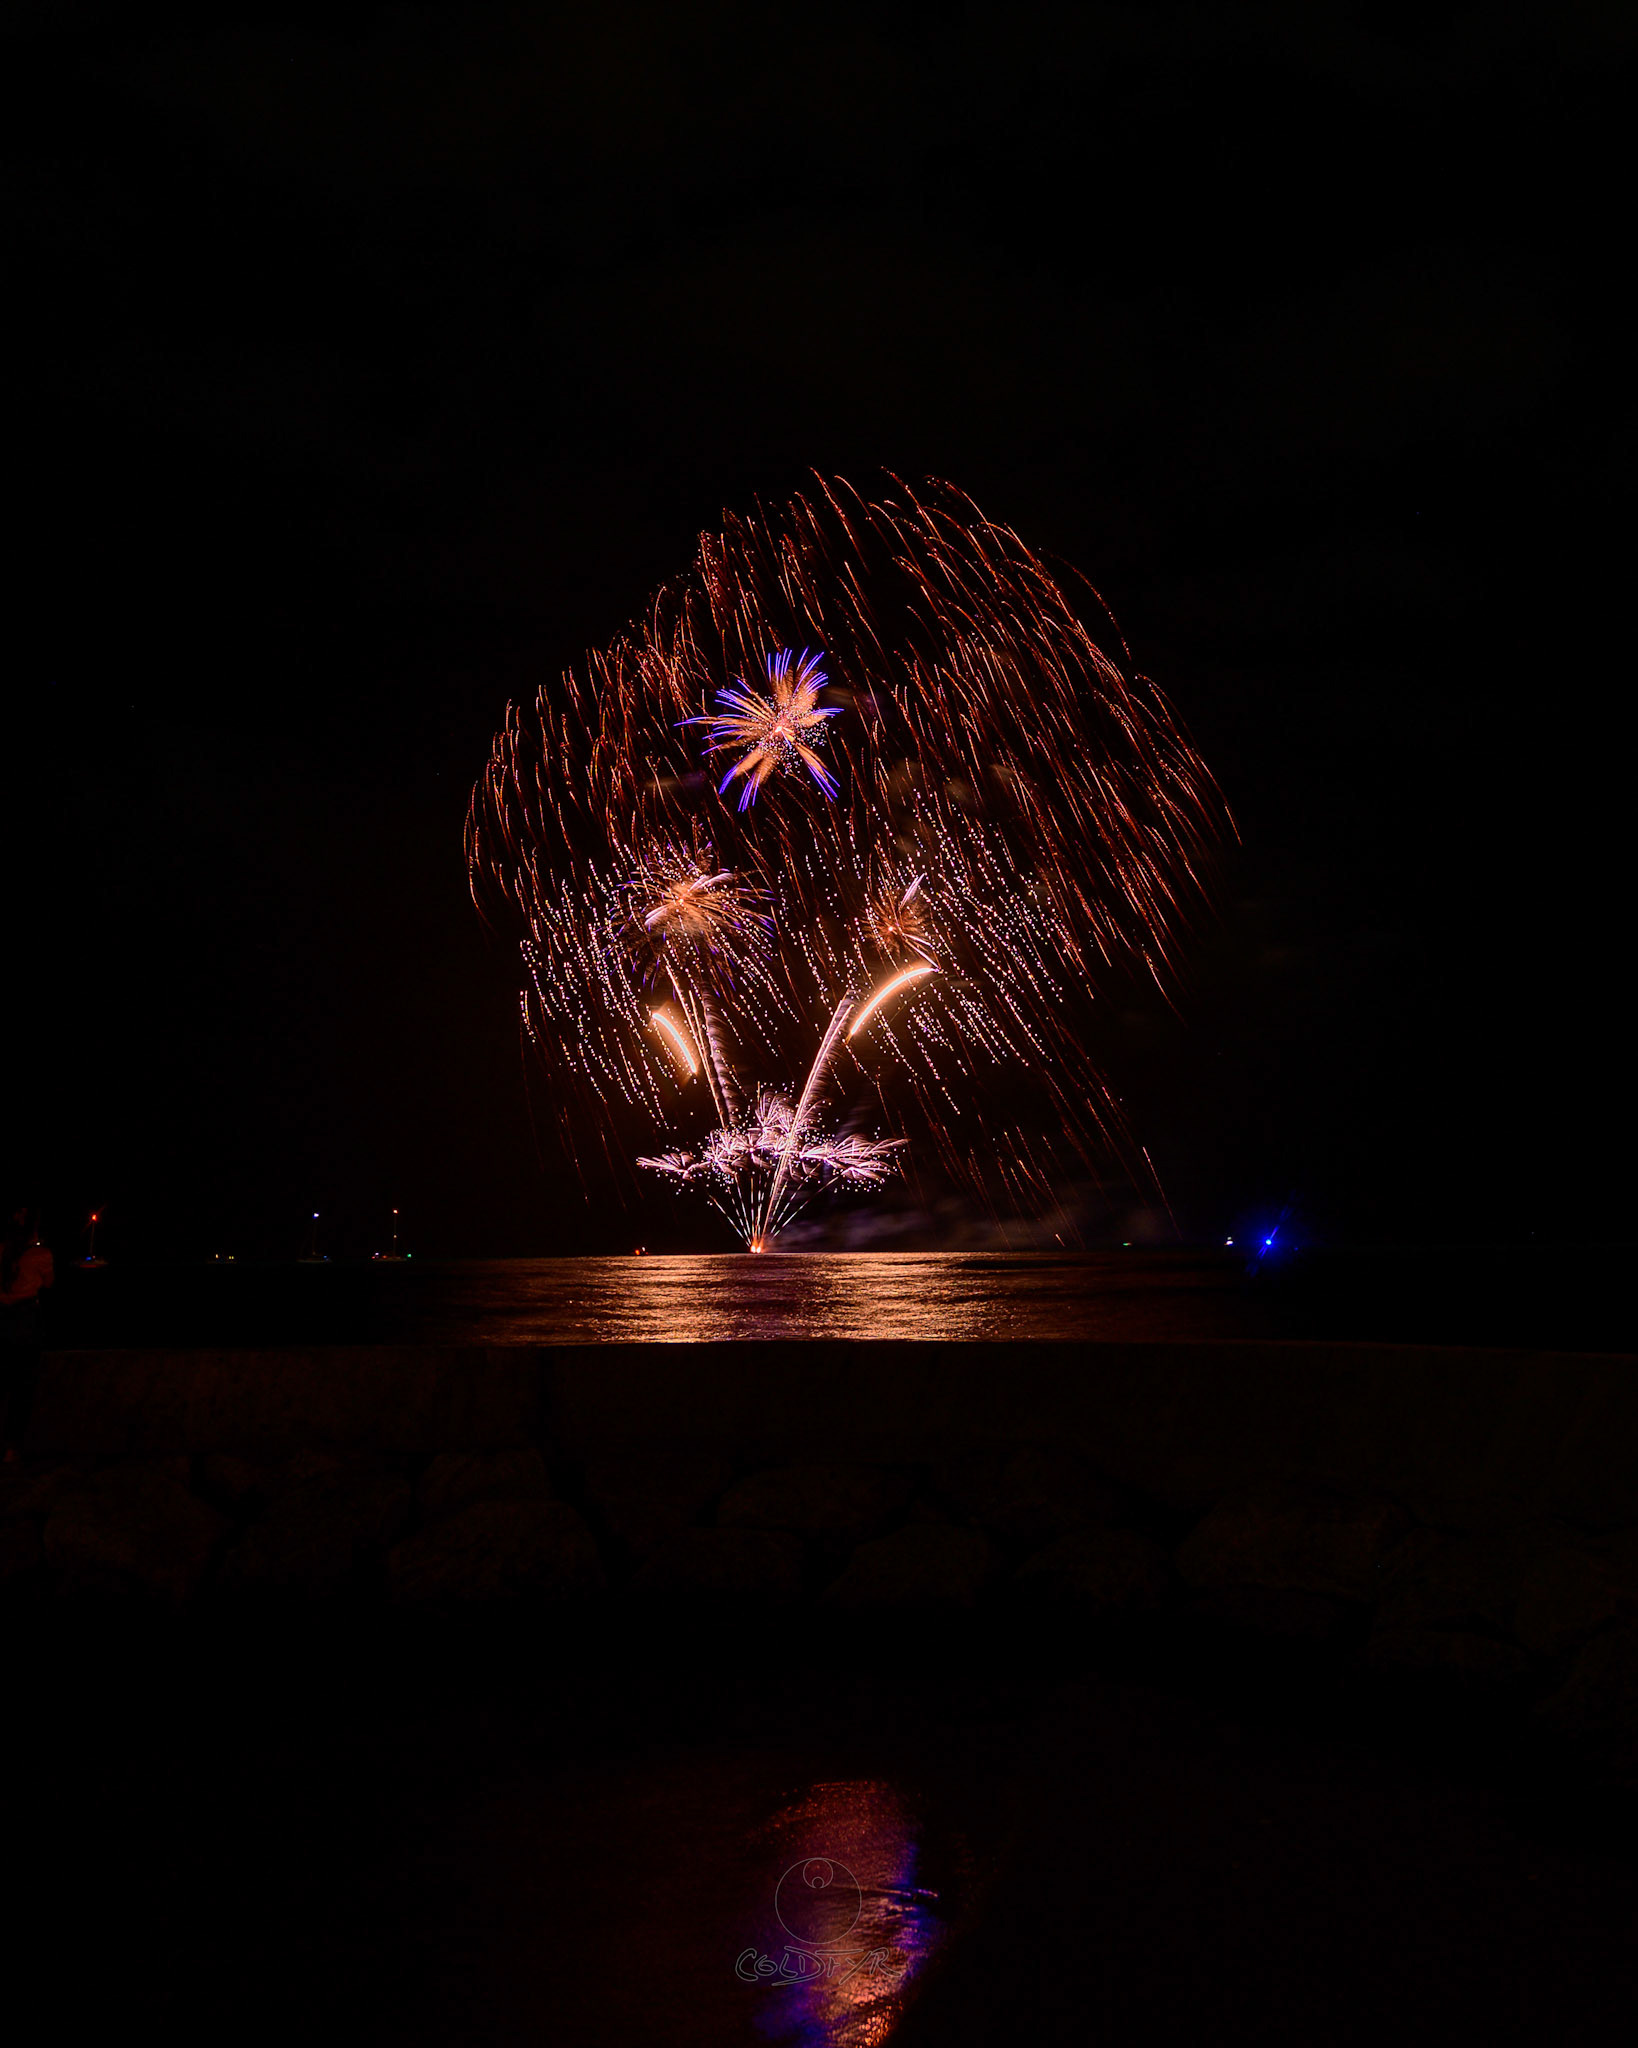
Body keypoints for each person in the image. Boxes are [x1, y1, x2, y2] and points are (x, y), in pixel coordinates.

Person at [1, 1203, 54, 1462]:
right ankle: (12, 1448)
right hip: (25, 1320)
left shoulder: (2, 1251)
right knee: (23, 1385)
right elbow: (49, 1282)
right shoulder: (41, 1255)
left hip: (3, 1316)